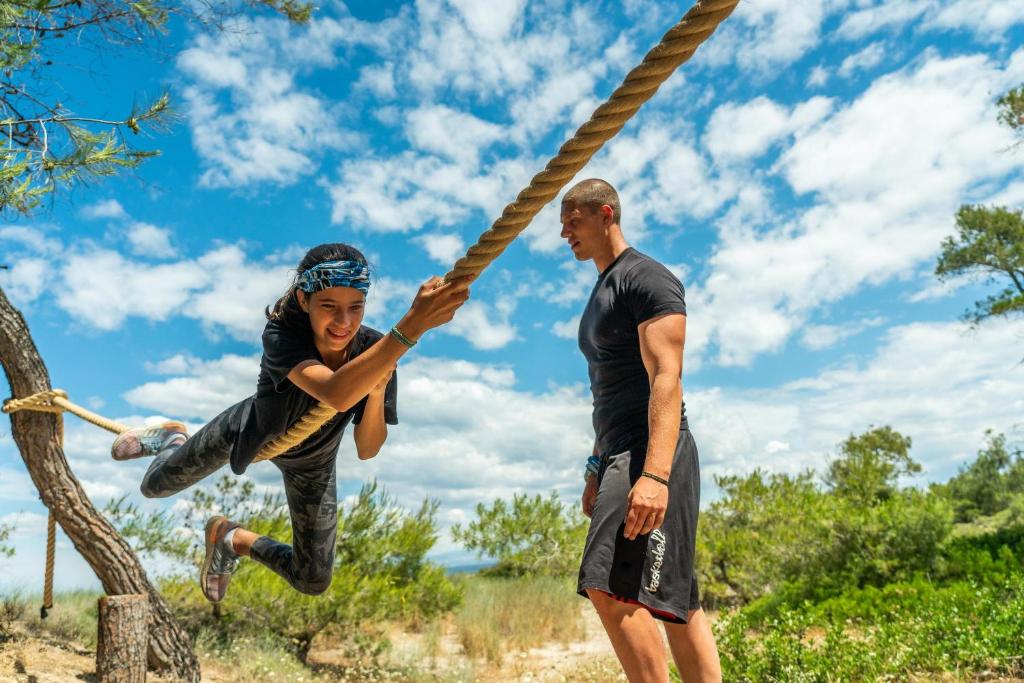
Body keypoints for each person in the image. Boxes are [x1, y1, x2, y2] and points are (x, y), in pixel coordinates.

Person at [110, 243, 471, 602]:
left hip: (313, 461)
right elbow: (335, 392)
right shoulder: (282, 335)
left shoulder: (378, 351)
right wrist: (413, 325)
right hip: (249, 433)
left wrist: (376, 392)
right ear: (304, 300)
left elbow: (367, 448)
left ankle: (231, 538)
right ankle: (174, 437)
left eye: (355, 307)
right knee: (154, 487)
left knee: (312, 579)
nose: (344, 322)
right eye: (329, 306)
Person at [561, 179, 722, 682]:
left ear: (605, 213)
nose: (565, 233)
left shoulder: (646, 277)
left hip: (650, 450)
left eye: (573, 220)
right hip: (617, 450)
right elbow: (604, 392)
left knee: (606, 582)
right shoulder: (601, 289)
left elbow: (666, 377)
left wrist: (654, 474)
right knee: (678, 596)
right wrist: (594, 466)